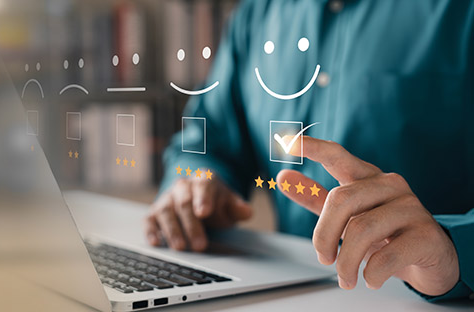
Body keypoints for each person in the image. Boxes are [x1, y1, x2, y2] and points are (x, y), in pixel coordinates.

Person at [145, 0, 474, 301]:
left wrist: (454, 248)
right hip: (280, 297)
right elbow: (207, 140)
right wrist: (195, 185)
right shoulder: (256, 14)